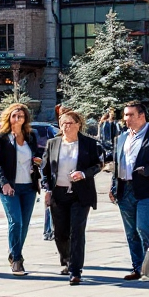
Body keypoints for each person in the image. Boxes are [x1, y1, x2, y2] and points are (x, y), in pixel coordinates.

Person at [41, 108, 102, 285]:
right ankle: (66, 260)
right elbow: (45, 169)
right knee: (60, 233)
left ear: (78, 125)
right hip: (58, 194)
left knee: (77, 231)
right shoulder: (53, 143)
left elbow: (98, 164)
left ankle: (76, 270)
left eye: (69, 123)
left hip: (80, 195)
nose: (66, 127)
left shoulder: (88, 144)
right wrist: (47, 189)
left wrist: (83, 173)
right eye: (62, 123)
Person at [112, 100, 149, 280]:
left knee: (143, 229)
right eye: (125, 115)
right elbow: (117, 164)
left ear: (141, 115)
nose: (126, 118)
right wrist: (113, 186)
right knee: (131, 233)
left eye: (130, 115)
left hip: (147, 190)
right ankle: (137, 267)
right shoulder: (121, 137)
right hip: (124, 190)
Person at [0, 102, 43, 275]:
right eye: (14, 116)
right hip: (9, 187)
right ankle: (17, 259)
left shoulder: (30, 136)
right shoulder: (2, 137)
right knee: (16, 222)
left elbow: (35, 155)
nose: (17, 118)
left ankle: (14, 252)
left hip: (28, 186)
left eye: (20, 116)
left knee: (24, 225)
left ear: (25, 118)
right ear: (9, 117)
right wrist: (4, 182)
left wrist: (37, 161)